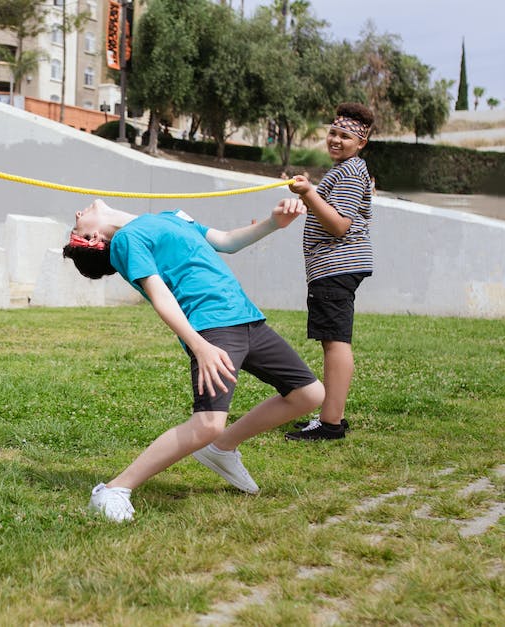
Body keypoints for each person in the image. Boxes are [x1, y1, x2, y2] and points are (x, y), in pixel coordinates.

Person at [62, 199, 325, 522]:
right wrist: (199, 345)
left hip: (247, 317)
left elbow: (227, 241)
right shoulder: (128, 241)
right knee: (207, 423)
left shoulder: (169, 217)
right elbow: (161, 296)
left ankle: (221, 447)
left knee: (309, 394)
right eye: (76, 227)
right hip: (211, 325)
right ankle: (114, 490)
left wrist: (274, 222)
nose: (78, 214)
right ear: (92, 241)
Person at [283, 102, 375, 441]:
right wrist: (308, 194)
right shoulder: (346, 170)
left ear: (361, 142)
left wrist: (308, 192)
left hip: (337, 265)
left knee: (335, 341)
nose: (336, 140)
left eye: (345, 136)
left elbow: (338, 224)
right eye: (333, 133)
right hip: (333, 267)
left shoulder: (350, 172)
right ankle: (331, 417)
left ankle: (331, 423)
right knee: (332, 340)